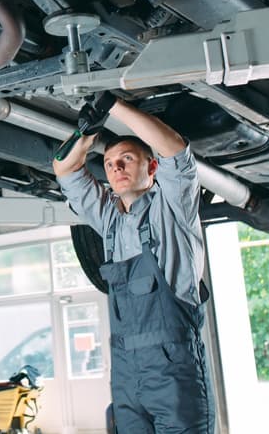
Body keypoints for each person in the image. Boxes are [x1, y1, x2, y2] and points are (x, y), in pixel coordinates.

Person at [52, 93, 214, 433]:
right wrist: (87, 131)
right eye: (110, 164)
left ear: (151, 168)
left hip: (173, 370)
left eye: (127, 159)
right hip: (126, 372)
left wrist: (114, 106)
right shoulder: (109, 220)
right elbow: (63, 167)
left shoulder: (173, 209)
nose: (117, 169)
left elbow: (175, 150)